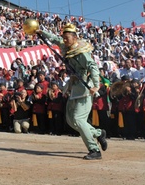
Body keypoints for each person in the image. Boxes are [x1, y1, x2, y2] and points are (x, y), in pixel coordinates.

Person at [39, 23, 108, 160]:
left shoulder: (81, 52)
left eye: (67, 38)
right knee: (71, 120)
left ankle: (94, 149)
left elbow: (93, 67)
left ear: (75, 37)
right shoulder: (65, 45)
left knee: (78, 119)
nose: (64, 40)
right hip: (74, 86)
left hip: (85, 87)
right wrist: (41, 32)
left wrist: (96, 85)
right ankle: (98, 133)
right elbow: (53, 39)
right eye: (63, 37)